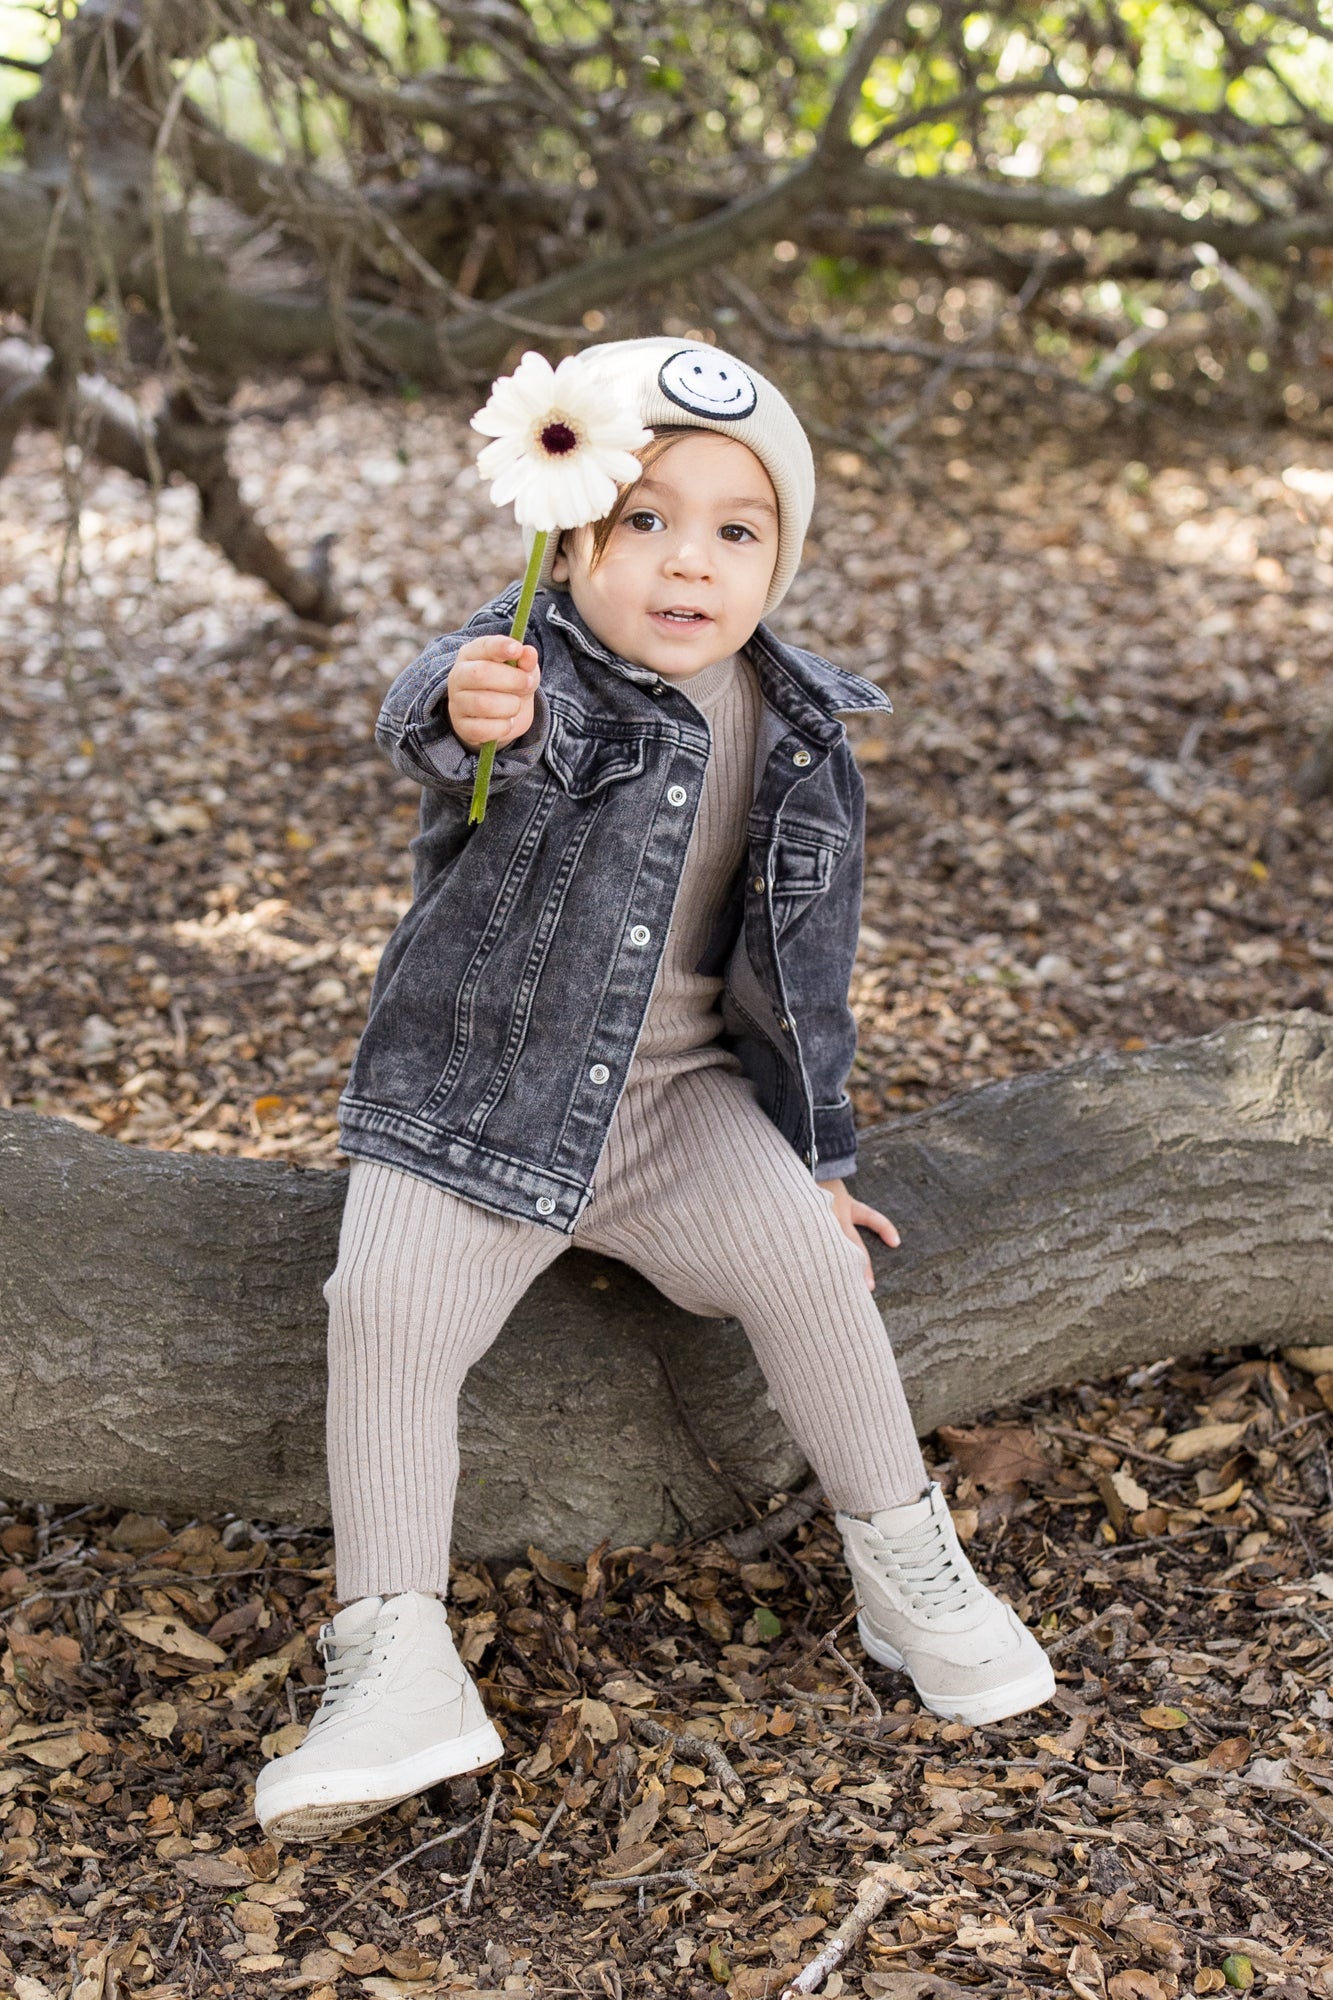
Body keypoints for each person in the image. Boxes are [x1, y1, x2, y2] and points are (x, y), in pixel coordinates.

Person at [253, 338, 1054, 1842]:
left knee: (812, 1270)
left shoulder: (804, 726)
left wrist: (814, 1153)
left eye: (734, 530)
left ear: (777, 560)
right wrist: (471, 703)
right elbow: (441, 714)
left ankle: (905, 1568)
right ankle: (392, 1656)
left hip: (681, 1108)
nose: (688, 561)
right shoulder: (533, 671)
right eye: (645, 520)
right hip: (481, 1100)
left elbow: (806, 969)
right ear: (567, 543)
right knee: (384, 1312)